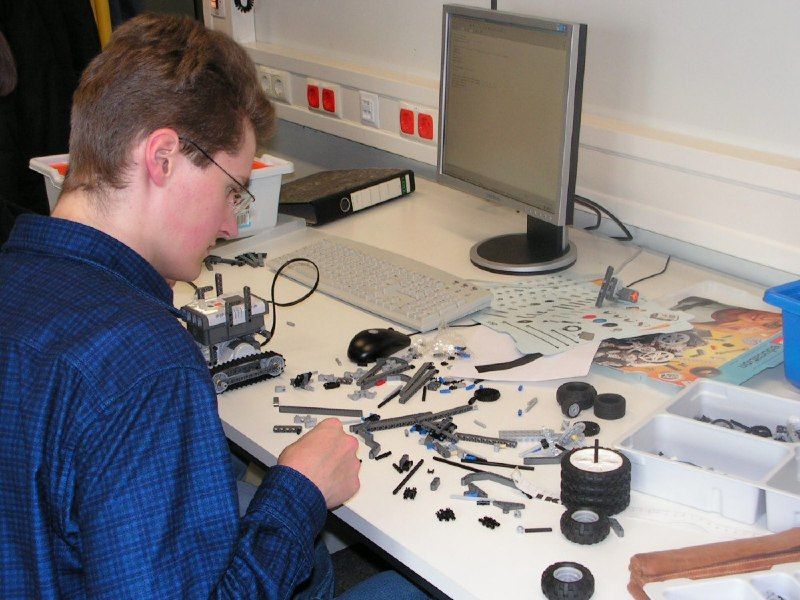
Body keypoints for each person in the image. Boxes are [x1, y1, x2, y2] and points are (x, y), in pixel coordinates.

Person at [0, 14, 426, 599]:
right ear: (163, 157)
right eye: (231, 190)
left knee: (310, 560)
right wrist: (298, 492)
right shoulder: (145, 364)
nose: (230, 224)